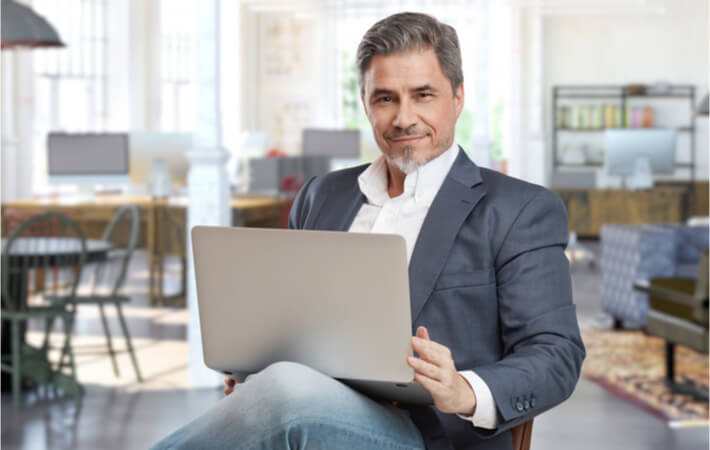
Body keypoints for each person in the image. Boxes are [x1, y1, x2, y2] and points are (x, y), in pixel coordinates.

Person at [152, 12, 585, 450]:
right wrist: (255, 378)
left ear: (457, 98)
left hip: (434, 436)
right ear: (365, 104)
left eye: (423, 95)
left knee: (285, 390)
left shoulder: (519, 210)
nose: (403, 118)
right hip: (312, 416)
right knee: (280, 387)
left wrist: (464, 390)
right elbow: (291, 324)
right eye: (385, 99)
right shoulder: (321, 196)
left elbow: (556, 355)